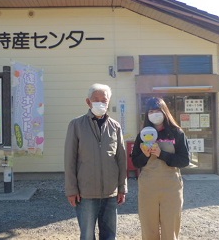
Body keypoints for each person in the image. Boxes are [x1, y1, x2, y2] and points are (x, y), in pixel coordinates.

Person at [64, 83, 128, 240]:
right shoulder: (76, 125)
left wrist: (122, 188)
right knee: (87, 235)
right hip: (86, 193)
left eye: (104, 100)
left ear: (108, 102)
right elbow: (69, 159)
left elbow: (121, 159)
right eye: (96, 99)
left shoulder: (115, 127)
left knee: (109, 235)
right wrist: (71, 189)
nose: (100, 103)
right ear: (88, 102)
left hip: (110, 192)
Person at [131, 97, 190, 240]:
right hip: (148, 188)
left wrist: (161, 154)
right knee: (148, 229)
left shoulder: (177, 133)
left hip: (171, 188)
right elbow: (136, 162)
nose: (154, 114)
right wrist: (145, 155)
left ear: (164, 112)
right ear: (147, 115)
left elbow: (184, 160)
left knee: (170, 230)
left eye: (157, 110)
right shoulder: (143, 135)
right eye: (151, 111)